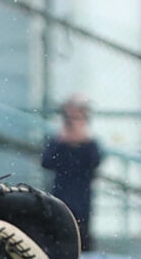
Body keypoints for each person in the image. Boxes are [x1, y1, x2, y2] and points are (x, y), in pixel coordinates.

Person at [40, 98, 102, 248]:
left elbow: (95, 162)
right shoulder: (58, 142)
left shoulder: (90, 144)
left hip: (82, 198)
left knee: (82, 236)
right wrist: (62, 140)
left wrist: (83, 139)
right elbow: (47, 162)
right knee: (58, 235)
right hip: (61, 195)